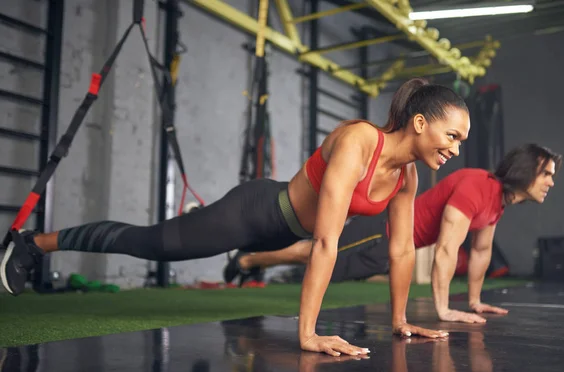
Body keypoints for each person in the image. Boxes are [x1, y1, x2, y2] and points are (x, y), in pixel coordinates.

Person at [1, 77, 469, 357]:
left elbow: (402, 249)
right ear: (421, 123)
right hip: (254, 213)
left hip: (281, 230)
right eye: (453, 135)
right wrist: (307, 334)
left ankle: (198, 221)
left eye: (462, 141)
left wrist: (400, 320)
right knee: (151, 245)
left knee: (174, 241)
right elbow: (325, 244)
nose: (455, 148)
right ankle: (31, 244)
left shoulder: (407, 177)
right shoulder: (358, 142)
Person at [222, 144, 562, 324]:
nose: (551, 181)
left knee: (333, 270)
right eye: (546, 173)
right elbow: (446, 249)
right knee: (316, 255)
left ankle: (253, 260)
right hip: (383, 232)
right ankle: (250, 258)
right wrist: (442, 310)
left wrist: (474, 302)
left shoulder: (497, 203)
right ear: (524, 171)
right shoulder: (478, 186)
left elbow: (481, 251)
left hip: (395, 248)